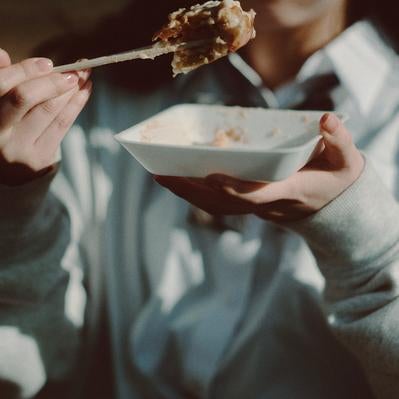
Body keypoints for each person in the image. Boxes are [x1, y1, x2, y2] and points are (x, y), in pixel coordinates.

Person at [0, 0, 399, 398]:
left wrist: (363, 244)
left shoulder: (389, 116)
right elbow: (28, 362)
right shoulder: (95, 106)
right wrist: (15, 206)